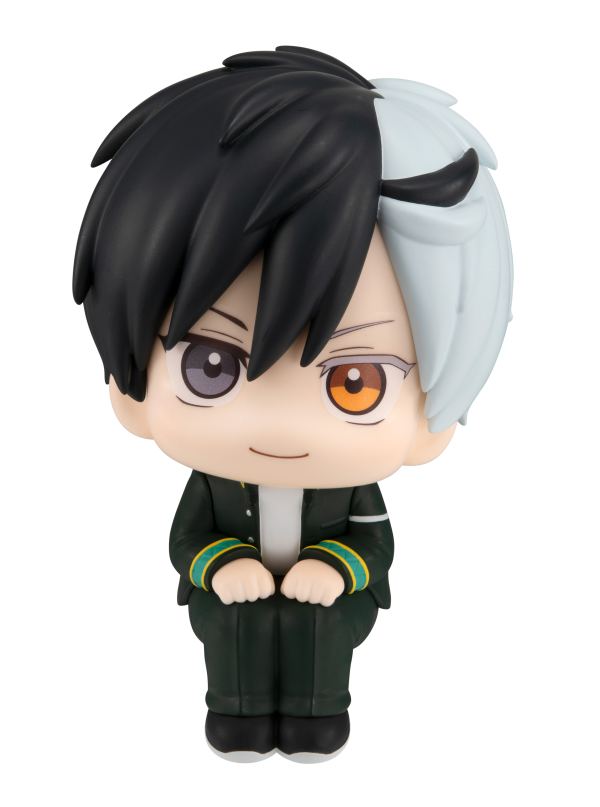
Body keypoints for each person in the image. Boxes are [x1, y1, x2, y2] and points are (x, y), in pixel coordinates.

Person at [73, 45, 513, 763]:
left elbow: (376, 544)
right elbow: (186, 539)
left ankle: (317, 716)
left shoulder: (352, 490)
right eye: (211, 366)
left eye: (355, 383)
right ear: (133, 386)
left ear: (432, 412)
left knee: (320, 628)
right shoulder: (213, 484)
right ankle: (236, 716)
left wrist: (338, 569)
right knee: (233, 625)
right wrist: (218, 565)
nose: (279, 423)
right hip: (230, 595)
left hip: (331, 600)